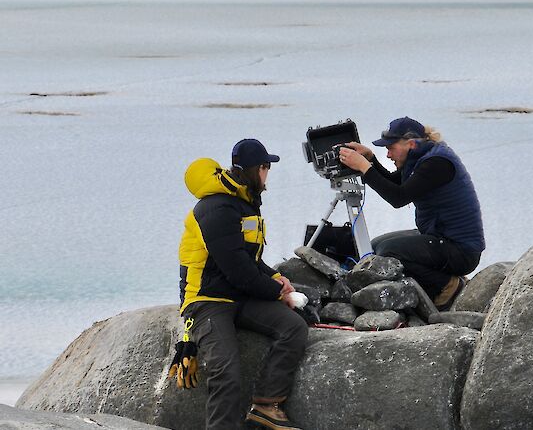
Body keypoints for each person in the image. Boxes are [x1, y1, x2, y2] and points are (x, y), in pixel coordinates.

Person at [178, 139, 307, 430]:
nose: (267, 175)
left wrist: (277, 279)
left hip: (239, 297)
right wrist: (276, 292)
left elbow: (248, 259)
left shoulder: (244, 202)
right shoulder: (216, 208)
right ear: (257, 169)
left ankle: (265, 406)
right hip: (207, 301)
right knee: (226, 370)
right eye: (266, 168)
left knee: (293, 327)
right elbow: (237, 269)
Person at [338, 117, 485, 310]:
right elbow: (398, 185)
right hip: (441, 238)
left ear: (411, 143)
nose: (388, 155)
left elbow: (398, 197)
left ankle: (447, 285)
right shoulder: (421, 156)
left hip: (460, 251)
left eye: (391, 148)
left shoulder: (437, 163)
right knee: (375, 247)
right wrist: (370, 160)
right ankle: (440, 279)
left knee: (390, 252)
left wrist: (364, 167)